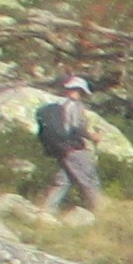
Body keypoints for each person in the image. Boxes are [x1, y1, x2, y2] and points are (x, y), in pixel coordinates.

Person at [36, 74, 108, 215]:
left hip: (61, 148)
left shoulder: (58, 105)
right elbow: (76, 128)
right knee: (89, 178)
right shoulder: (75, 106)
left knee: (64, 180)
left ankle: (46, 209)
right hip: (74, 148)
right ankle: (101, 210)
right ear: (80, 90)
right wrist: (92, 136)